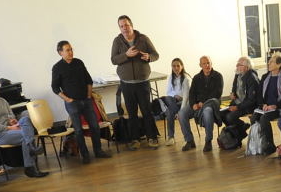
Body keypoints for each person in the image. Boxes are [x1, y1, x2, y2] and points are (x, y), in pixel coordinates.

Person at [0, 76, 48, 177]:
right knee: (26, 136)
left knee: (25, 119)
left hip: (13, 129)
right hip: (0, 135)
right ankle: (30, 165)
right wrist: (9, 128)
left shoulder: (2, 100)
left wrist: (13, 121)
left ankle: (30, 156)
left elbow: (11, 115)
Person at [51, 39, 109, 163]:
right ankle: (85, 155)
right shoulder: (57, 67)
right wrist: (68, 99)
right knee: (78, 130)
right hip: (72, 103)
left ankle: (98, 151)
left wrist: (88, 95)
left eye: (71, 49)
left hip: (86, 100)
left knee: (94, 126)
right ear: (60, 52)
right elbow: (55, 88)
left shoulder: (79, 62)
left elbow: (89, 80)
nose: (70, 52)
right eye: (67, 50)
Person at [110, 14, 161, 149]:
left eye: (126, 25)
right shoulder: (117, 41)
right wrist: (126, 55)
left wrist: (149, 57)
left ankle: (152, 137)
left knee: (146, 111)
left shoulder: (143, 38)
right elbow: (114, 60)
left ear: (131, 25)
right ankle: (135, 139)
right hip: (127, 84)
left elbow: (156, 55)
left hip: (142, 82)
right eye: (121, 26)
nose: (124, 28)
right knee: (131, 113)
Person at [248, 52, 281, 156]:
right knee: (253, 117)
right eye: (268, 62)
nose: (268, 64)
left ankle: (270, 146)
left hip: (279, 108)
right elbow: (259, 95)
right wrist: (263, 105)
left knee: (264, 118)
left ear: (279, 64)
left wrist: (275, 105)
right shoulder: (265, 77)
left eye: (271, 62)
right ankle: (260, 143)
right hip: (266, 107)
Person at [180, 56, 225, 152]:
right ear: (200, 65)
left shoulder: (218, 76)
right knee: (182, 113)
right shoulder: (196, 77)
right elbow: (192, 93)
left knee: (207, 111)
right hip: (197, 104)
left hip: (211, 104)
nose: (207, 65)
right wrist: (193, 104)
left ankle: (208, 141)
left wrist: (203, 102)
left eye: (208, 63)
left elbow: (217, 93)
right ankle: (189, 141)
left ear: (211, 63)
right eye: (204, 63)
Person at [219, 56, 260, 145]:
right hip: (237, 102)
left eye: (239, 64)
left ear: (247, 67)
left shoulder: (252, 78)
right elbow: (234, 87)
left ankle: (237, 136)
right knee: (221, 114)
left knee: (230, 117)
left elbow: (251, 100)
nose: (237, 66)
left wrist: (237, 107)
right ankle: (241, 129)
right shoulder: (238, 74)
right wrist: (232, 94)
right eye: (237, 64)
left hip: (248, 106)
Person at [155, 58, 189, 144]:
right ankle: (171, 137)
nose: (176, 68)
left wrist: (181, 99)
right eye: (174, 66)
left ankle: (171, 137)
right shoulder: (171, 77)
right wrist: (175, 96)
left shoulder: (186, 78)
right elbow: (168, 92)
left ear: (182, 66)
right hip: (173, 101)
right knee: (167, 98)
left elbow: (186, 97)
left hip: (184, 102)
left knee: (169, 112)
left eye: (178, 66)